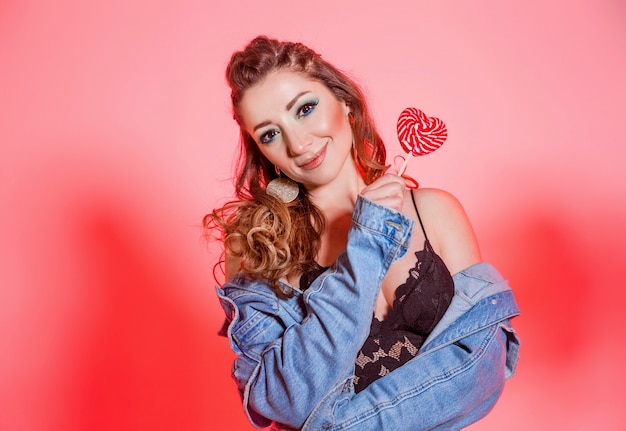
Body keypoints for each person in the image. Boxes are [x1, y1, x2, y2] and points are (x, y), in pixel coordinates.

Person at [204, 35, 520, 430]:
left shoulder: (434, 211)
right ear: (262, 152)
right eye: (270, 133)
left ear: (345, 102)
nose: (299, 143)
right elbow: (288, 398)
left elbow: (481, 365)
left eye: (305, 108)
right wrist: (366, 244)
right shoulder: (259, 246)